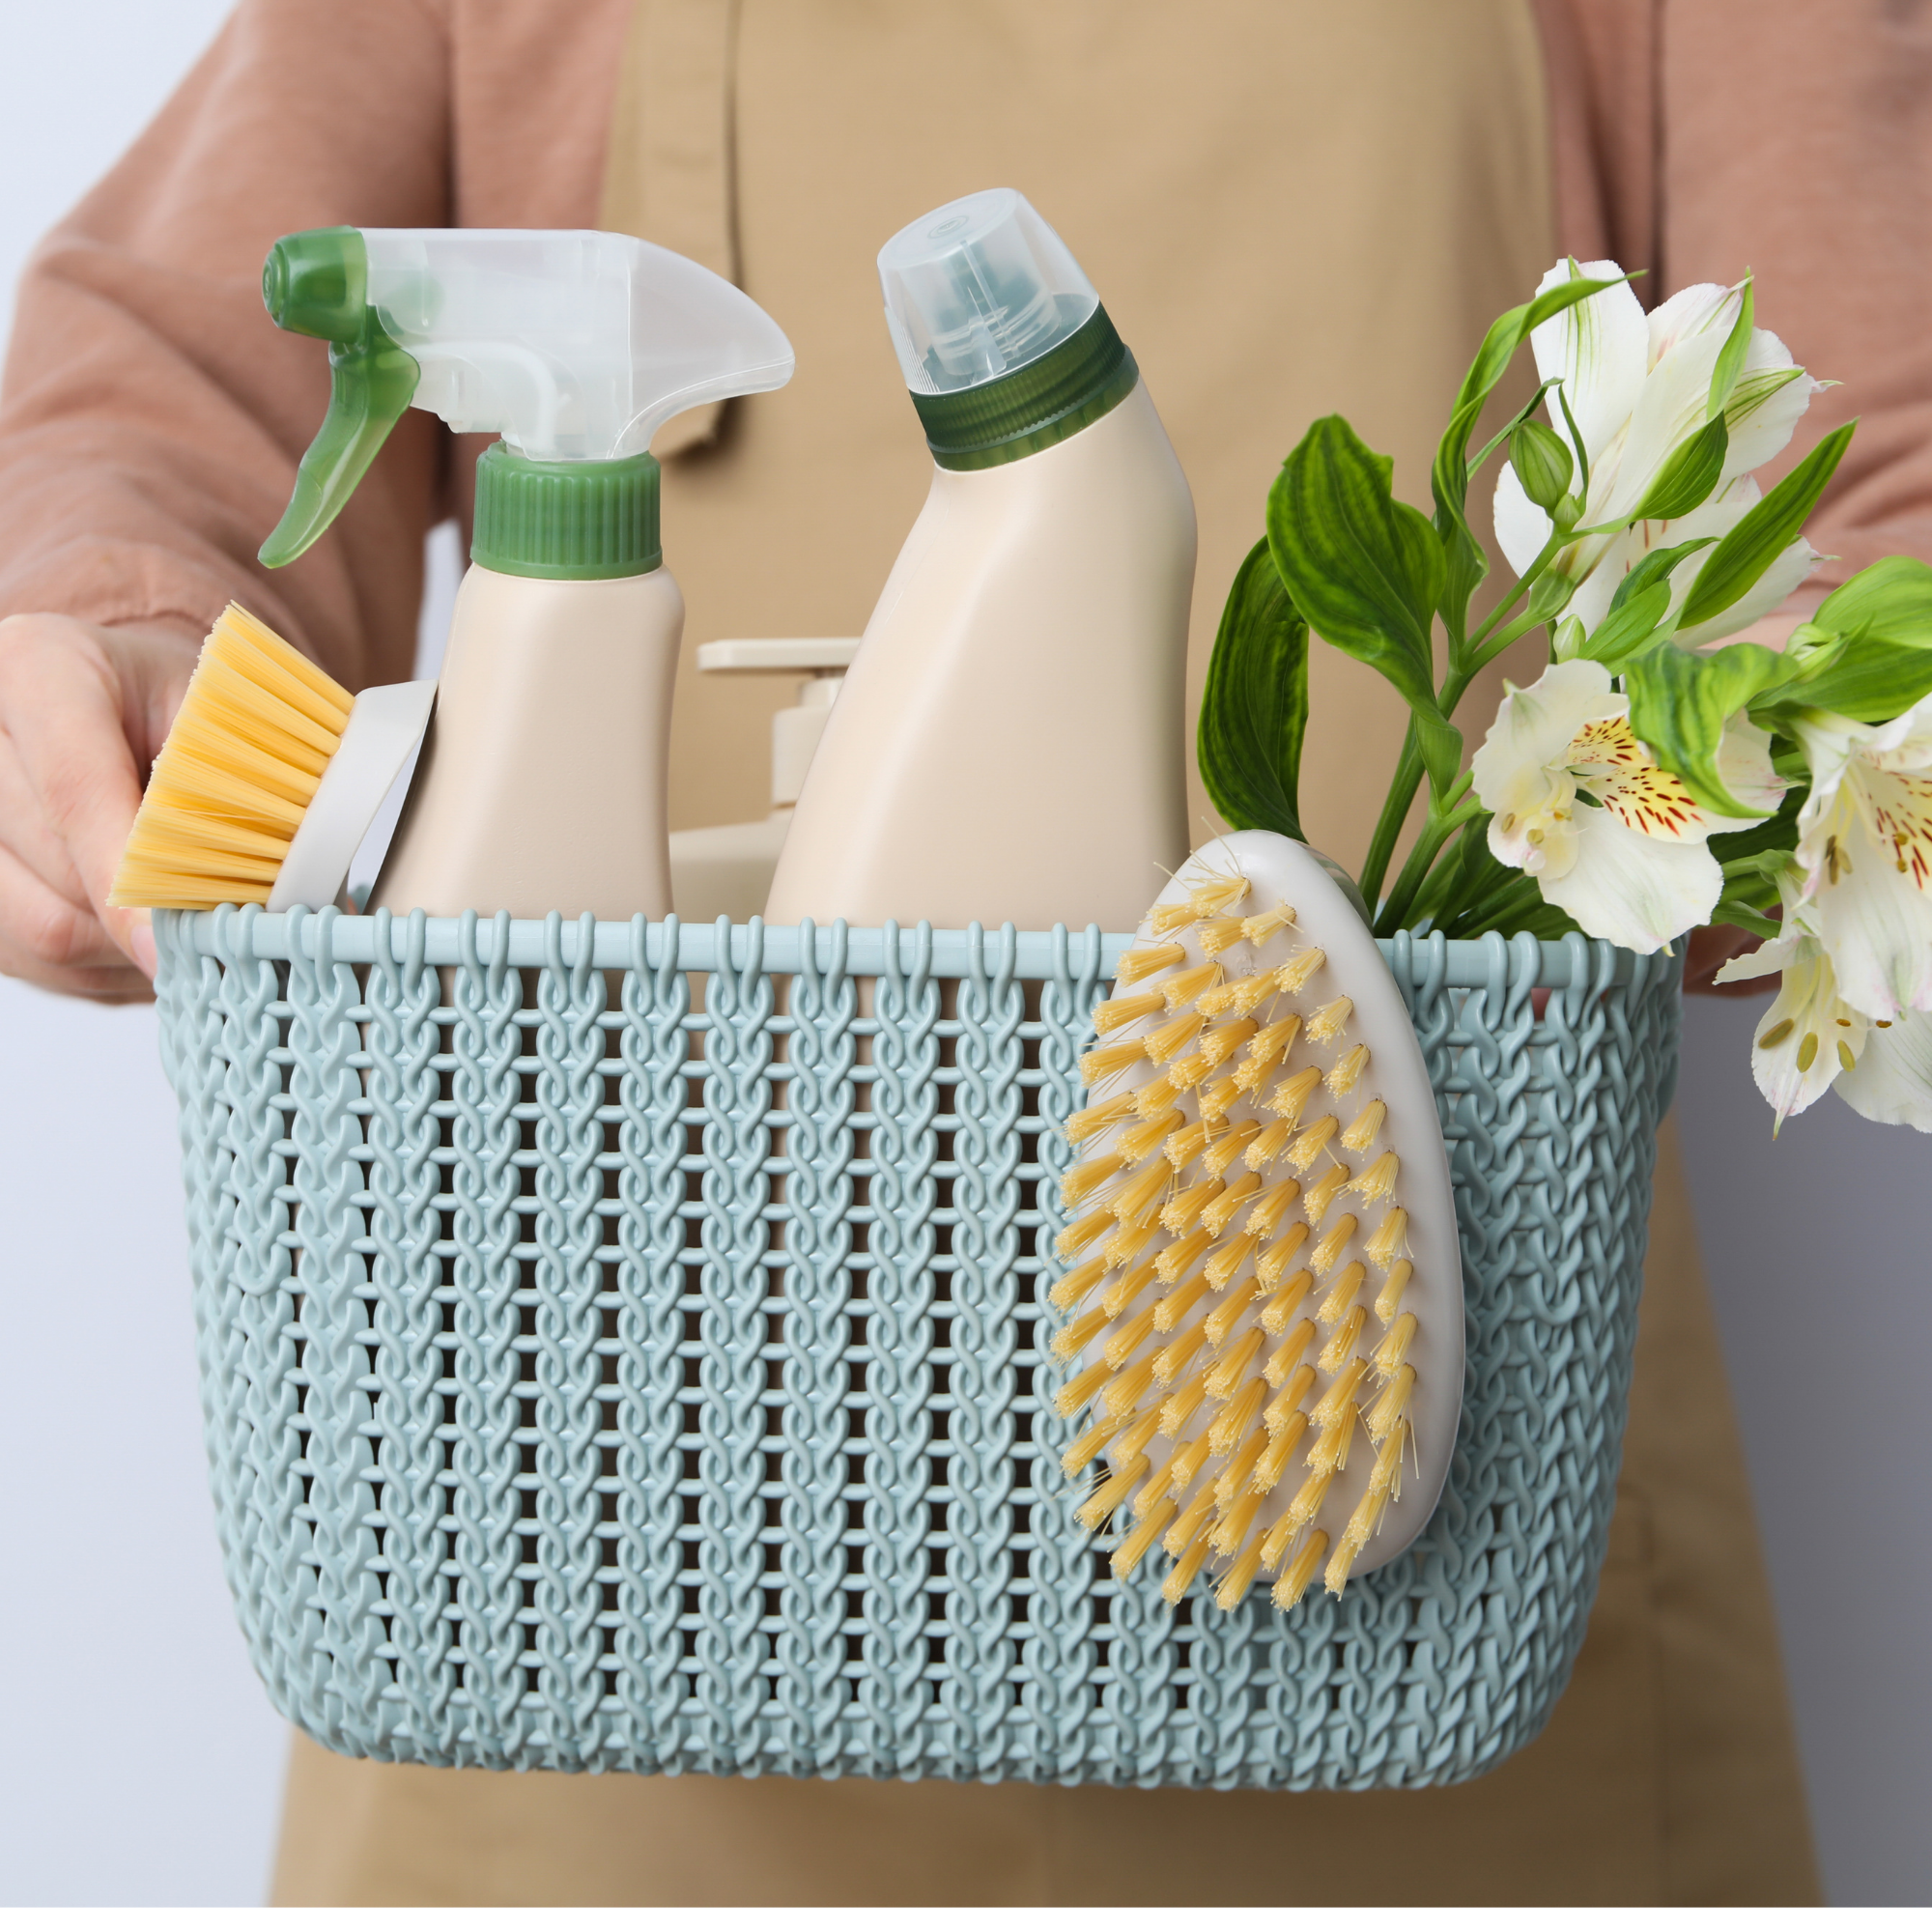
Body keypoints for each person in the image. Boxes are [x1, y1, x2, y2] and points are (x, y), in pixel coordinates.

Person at [11, 0, 1913, 1904]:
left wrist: (1817, 786)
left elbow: (1874, 491)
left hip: (1411, 1534)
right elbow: (167, 387)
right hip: (585, 1593)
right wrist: (101, 635)